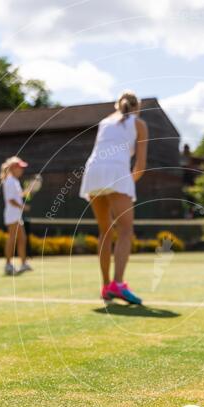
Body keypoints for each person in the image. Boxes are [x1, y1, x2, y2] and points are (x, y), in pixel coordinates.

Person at [79, 90, 148, 304]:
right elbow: (140, 166)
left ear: (117, 105)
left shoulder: (104, 122)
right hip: (116, 172)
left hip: (93, 173)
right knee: (125, 230)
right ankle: (118, 284)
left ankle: (106, 286)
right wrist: (125, 185)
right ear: (137, 107)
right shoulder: (139, 124)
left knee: (105, 231)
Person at [0, 156, 32, 276]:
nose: (22, 170)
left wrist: (26, 192)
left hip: (16, 215)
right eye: (20, 167)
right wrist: (23, 207)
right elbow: (11, 200)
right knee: (12, 239)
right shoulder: (9, 181)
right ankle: (8, 265)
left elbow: (18, 195)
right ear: (13, 168)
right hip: (12, 215)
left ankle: (23, 264)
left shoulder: (15, 181)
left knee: (22, 239)